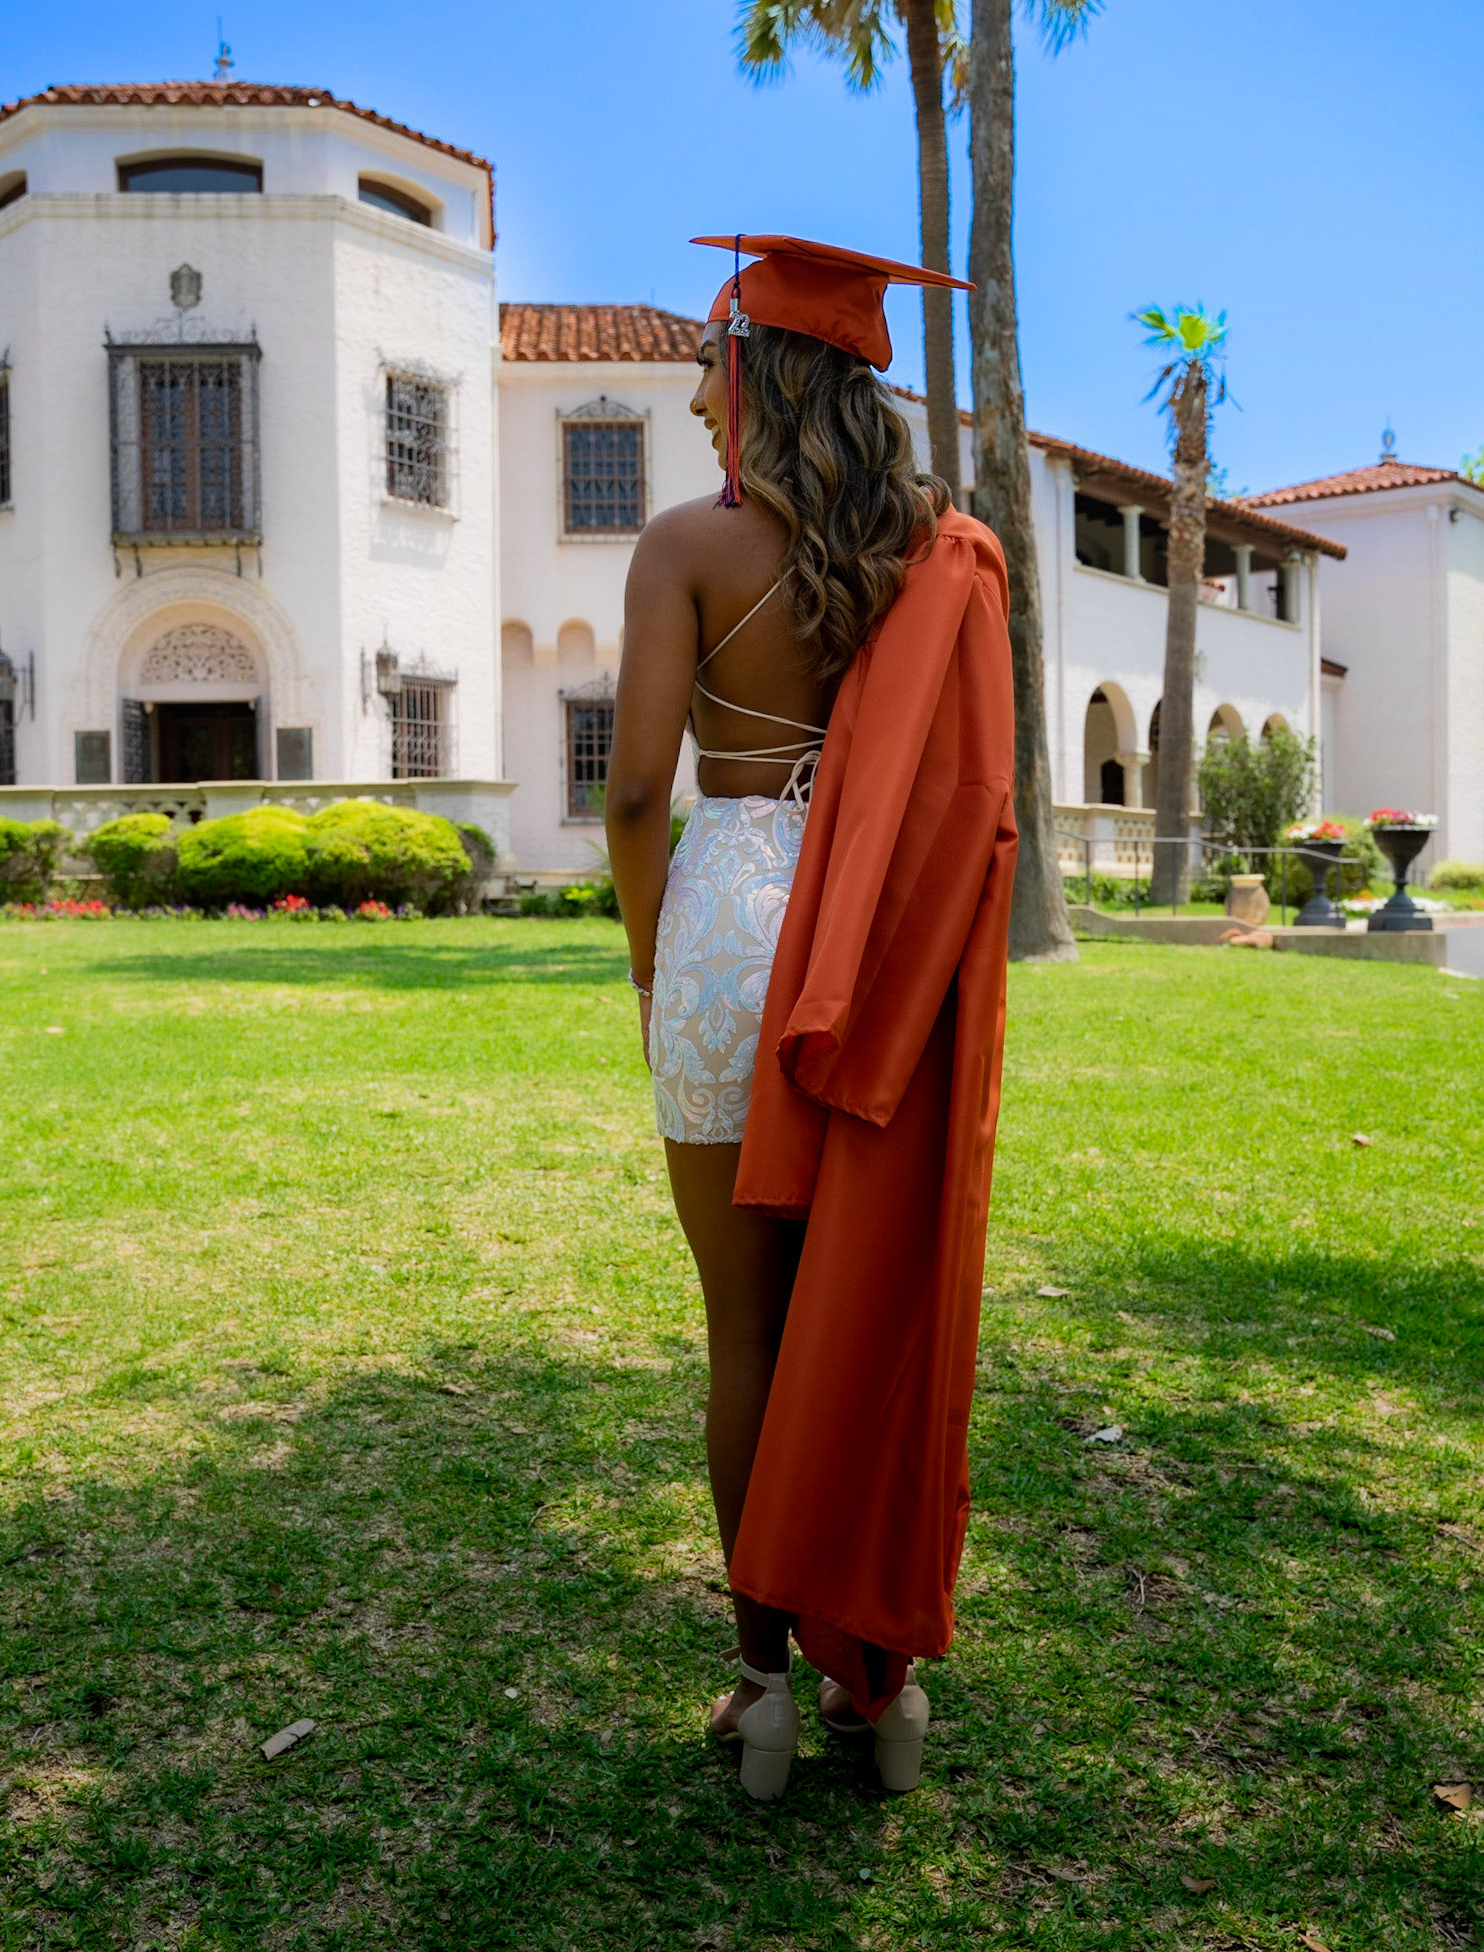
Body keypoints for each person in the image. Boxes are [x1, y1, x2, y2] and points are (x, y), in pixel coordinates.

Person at [605, 236, 1018, 1801]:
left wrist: (652, 963)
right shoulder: (938, 552)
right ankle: (879, 1693)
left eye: (710, 368)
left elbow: (634, 795)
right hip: (877, 934)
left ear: (754, 374)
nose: (697, 399)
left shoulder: (685, 546)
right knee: (863, 1306)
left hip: (728, 922)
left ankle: (766, 1693)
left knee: (749, 1331)